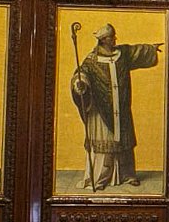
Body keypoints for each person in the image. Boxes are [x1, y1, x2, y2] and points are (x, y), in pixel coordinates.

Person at [68, 23, 162, 190]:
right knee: (105, 144)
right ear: (104, 40)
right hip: (100, 111)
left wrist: (152, 49)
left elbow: (137, 51)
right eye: (112, 37)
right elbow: (81, 74)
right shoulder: (92, 60)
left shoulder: (122, 54)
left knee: (124, 143)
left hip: (121, 107)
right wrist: (79, 83)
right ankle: (100, 179)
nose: (115, 39)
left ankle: (127, 175)